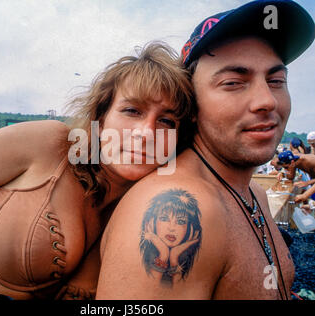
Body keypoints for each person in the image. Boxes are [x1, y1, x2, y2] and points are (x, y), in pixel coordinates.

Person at [0, 42, 194, 300]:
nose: (146, 132)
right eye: (132, 111)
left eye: (166, 121)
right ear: (100, 120)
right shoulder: (48, 144)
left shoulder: (147, 209)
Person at [96, 0, 314, 300]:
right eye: (234, 82)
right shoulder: (174, 204)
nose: (267, 100)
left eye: (276, 80)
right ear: (192, 106)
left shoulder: (255, 194)